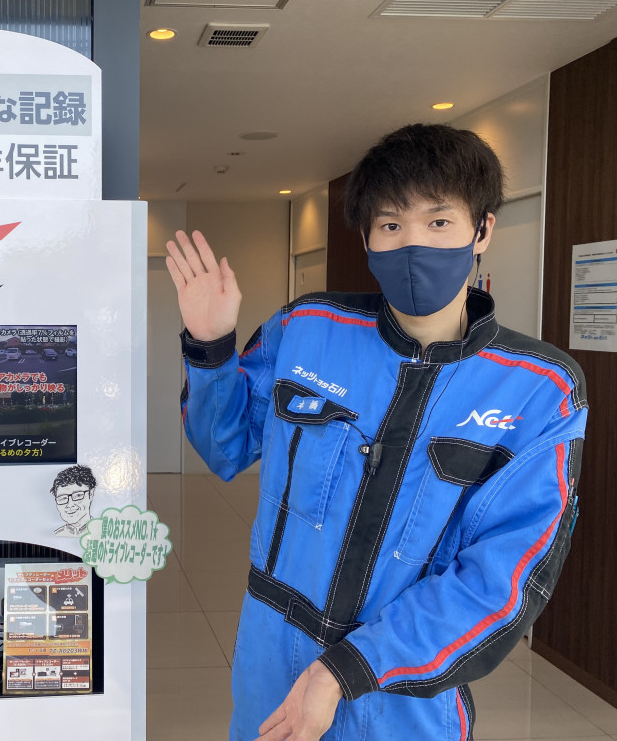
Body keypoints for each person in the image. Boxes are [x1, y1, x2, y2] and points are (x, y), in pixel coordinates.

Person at [166, 124, 587, 741]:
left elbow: (502, 579)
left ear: (482, 231)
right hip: (271, 664)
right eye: (390, 224)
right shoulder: (306, 327)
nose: (413, 244)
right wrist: (210, 347)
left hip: (399, 695)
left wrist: (346, 671)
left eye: (438, 222)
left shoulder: (538, 388)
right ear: (366, 237)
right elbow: (224, 445)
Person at [51, 464, 96, 537]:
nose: (70, 505)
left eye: (78, 495)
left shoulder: (104, 533)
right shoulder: (55, 535)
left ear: (91, 494)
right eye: (63, 498)